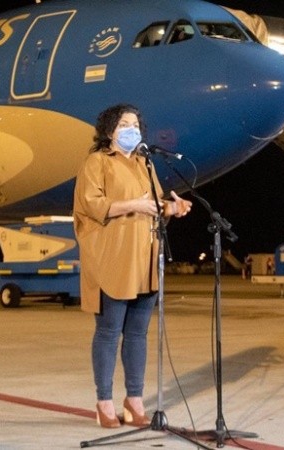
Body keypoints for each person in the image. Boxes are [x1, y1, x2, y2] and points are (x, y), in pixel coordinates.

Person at [73, 104, 193, 428]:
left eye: (136, 124)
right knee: (109, 331)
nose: (132, 129)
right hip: (112, 257)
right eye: (125, 124)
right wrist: (134, 204)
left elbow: (152, 205)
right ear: (110, 130)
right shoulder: (97, 162)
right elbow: (92, 204)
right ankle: (104, 401)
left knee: (137, 334)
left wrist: (173, 207)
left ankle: (134, 399)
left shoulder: (144, 163)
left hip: (144, 257)